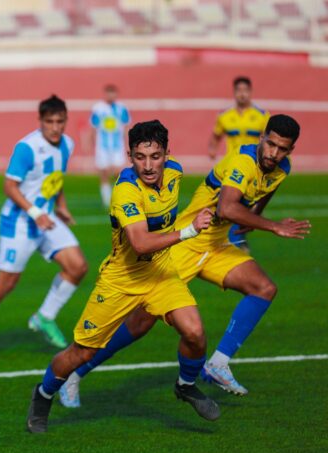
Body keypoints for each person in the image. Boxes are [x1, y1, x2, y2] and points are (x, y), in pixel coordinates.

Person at [59, 115, 310, 407]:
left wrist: (250, 222)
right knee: (139, 324)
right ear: (262, 137)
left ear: (290, 150)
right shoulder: (242, 162)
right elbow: (228, 208)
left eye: (282, 149)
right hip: (186, 245)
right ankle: (76, 372)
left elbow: (264, 193)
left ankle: (217, 363)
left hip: (216, 246)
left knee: (264, 288)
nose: (273, 154)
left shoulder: (282, 168)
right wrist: (273, 225)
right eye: (270, 144)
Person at [27, 120, 219, 433]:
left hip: (160, 273)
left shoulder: (176, 173)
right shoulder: (125, 191)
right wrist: (189, 230)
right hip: (121, 280)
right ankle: (43, 393)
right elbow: (141, 242)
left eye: (155, 156)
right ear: (130, 156)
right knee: (82, 352)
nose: (148, 165)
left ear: (167, 154)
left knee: (195, 333)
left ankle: (185, 386)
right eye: (140, 157)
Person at [0, 95, 88, 360]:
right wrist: (34, 212)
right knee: (6, 283)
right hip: (18, 223)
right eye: (49, 121)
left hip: (47, 218)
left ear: (65, 121)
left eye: (60, 121)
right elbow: (9, 186)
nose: (55, 127)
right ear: (40, 121)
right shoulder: (27, 148)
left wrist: (61, 205)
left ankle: (44, 317)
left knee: (78, 267)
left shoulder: (68, 144)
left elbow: (56, 178)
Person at [208, 76, 271, 249]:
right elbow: (216, 136)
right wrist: (212, 149)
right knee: (229, 206)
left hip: (254, 169)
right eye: (239, 91)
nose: (242, 94)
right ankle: (234, 242)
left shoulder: (262, 116)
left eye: (245, 91)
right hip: (232, 167)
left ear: (250, 92)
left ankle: (235, 241)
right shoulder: (225, 116)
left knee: (240, 207)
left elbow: (270, 141)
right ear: (234, 92)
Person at [83, 84, 130, 208]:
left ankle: (119, 196)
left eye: (113, 93)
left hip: (117, 146)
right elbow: (93, 127)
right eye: (108, 93)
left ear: (116, 94)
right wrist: (90, 142)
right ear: (105, 94)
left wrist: (129, 143)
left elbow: (126, 126)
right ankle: (106, 200)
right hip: (102, 146)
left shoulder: (121, 108)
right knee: (104, 172)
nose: (111, 95)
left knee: (118, 172)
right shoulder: (98, 108)